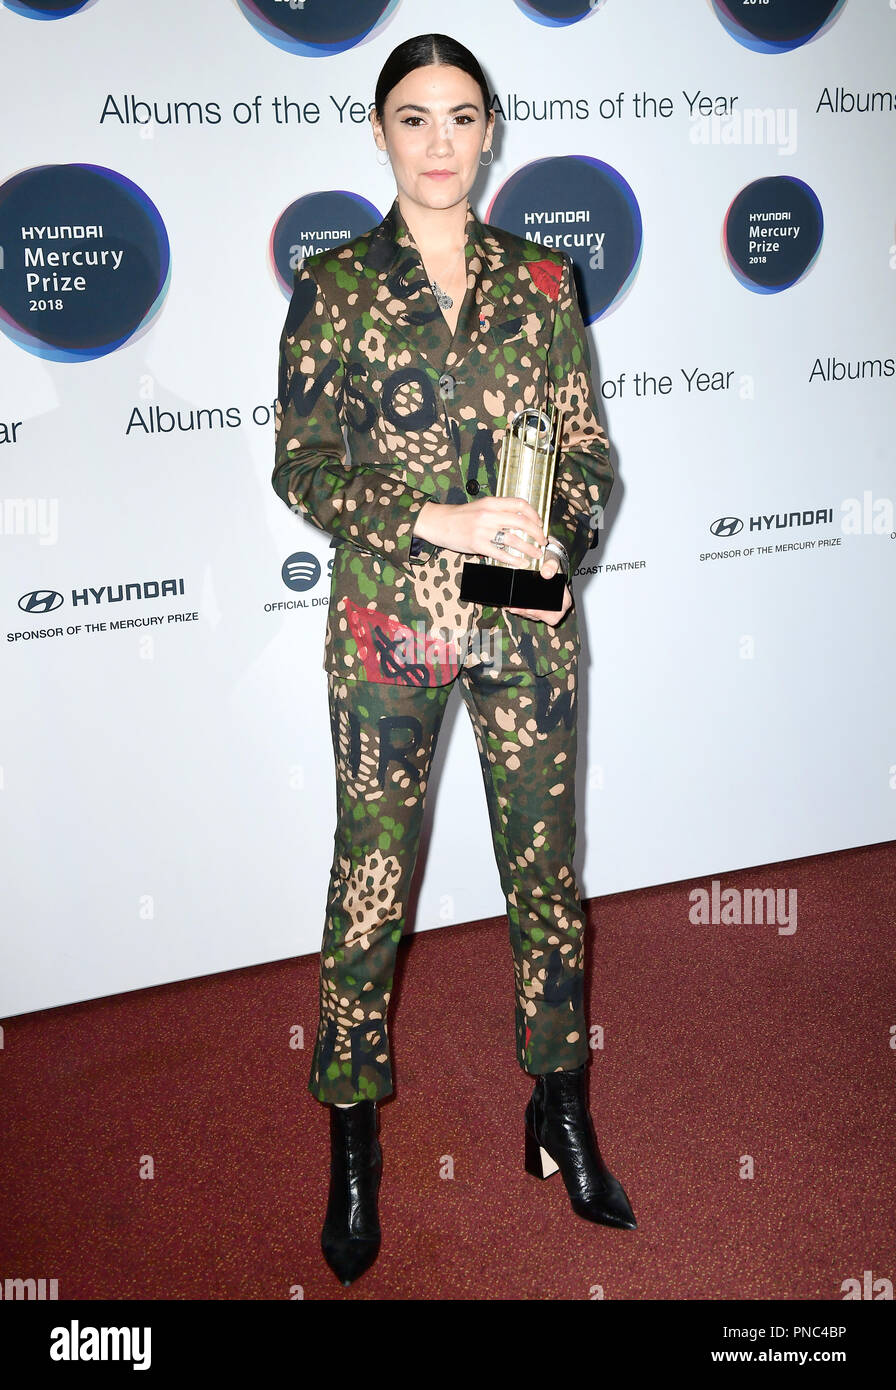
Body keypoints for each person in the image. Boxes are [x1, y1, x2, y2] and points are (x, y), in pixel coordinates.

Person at [273, 32, 636, 1288]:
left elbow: (587, 458)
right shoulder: (331, 286)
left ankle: (559, 1104)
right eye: (413, 117)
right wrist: (433, 520)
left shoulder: (543, 282)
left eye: (461, 117)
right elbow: (302, 468)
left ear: (492, 132)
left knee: (545, 872)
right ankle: (355, 1132)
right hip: (388, 622)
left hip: (522, 625)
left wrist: (558, 541)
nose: (438, 142)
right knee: (370, 878)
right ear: (378, 132)